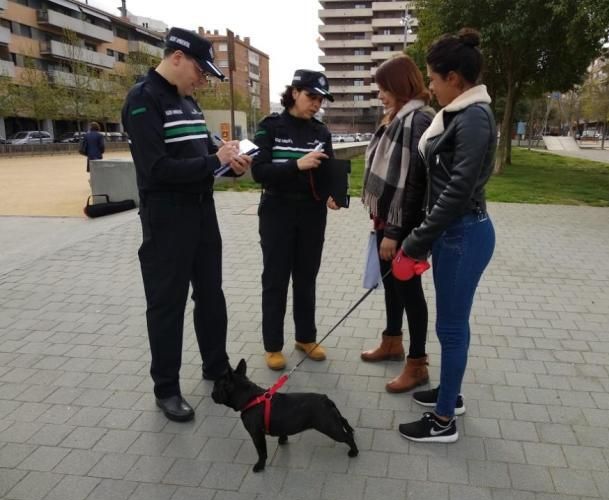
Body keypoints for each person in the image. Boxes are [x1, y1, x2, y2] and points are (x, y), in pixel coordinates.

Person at [121, 27, 252, 422]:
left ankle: (217, 367)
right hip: (166, 218)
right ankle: (166, 388)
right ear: (176, 57)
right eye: (199, 70)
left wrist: (228, 164)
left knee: (211, 294)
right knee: (167, 305)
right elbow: (156, 169)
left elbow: (201, 157)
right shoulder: (143, 101)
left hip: (201, 212)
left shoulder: (189, 103)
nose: (202, 79)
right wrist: (214, 162)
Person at [395, 28, 497, 442]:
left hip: (463, 234)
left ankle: (443, 423)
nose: (430, 86)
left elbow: (457, 191)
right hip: (453, 233)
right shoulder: (458, 113)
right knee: (451, 326)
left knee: (452, 329)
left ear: (454, 77)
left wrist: (415, 242)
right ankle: (449, 397)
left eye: (433, 79)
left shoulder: (474, 117)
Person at [251, 69, 340, 371]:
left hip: (313, 214)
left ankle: (306, 337)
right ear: (294, 93)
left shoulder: (321, 132)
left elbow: (327, 171)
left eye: (321, 100)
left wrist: (333, 194)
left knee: (306, 278)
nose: (316, 104)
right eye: (311, 97)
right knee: (275, 280)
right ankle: (273, 346)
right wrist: (296, 165)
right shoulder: (270, 126)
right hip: (277, 211)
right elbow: (258, 172)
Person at [359, 54, 434, 393]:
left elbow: (414, 183)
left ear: (401, 86)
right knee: (392, 286)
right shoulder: (397, 116)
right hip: (385, 221)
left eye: (384, 89)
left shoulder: (418, 119)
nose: (380, 95)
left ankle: (417, 364)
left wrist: (393, 232)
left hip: (403, 225)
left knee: (409, 291)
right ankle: (392, 343)